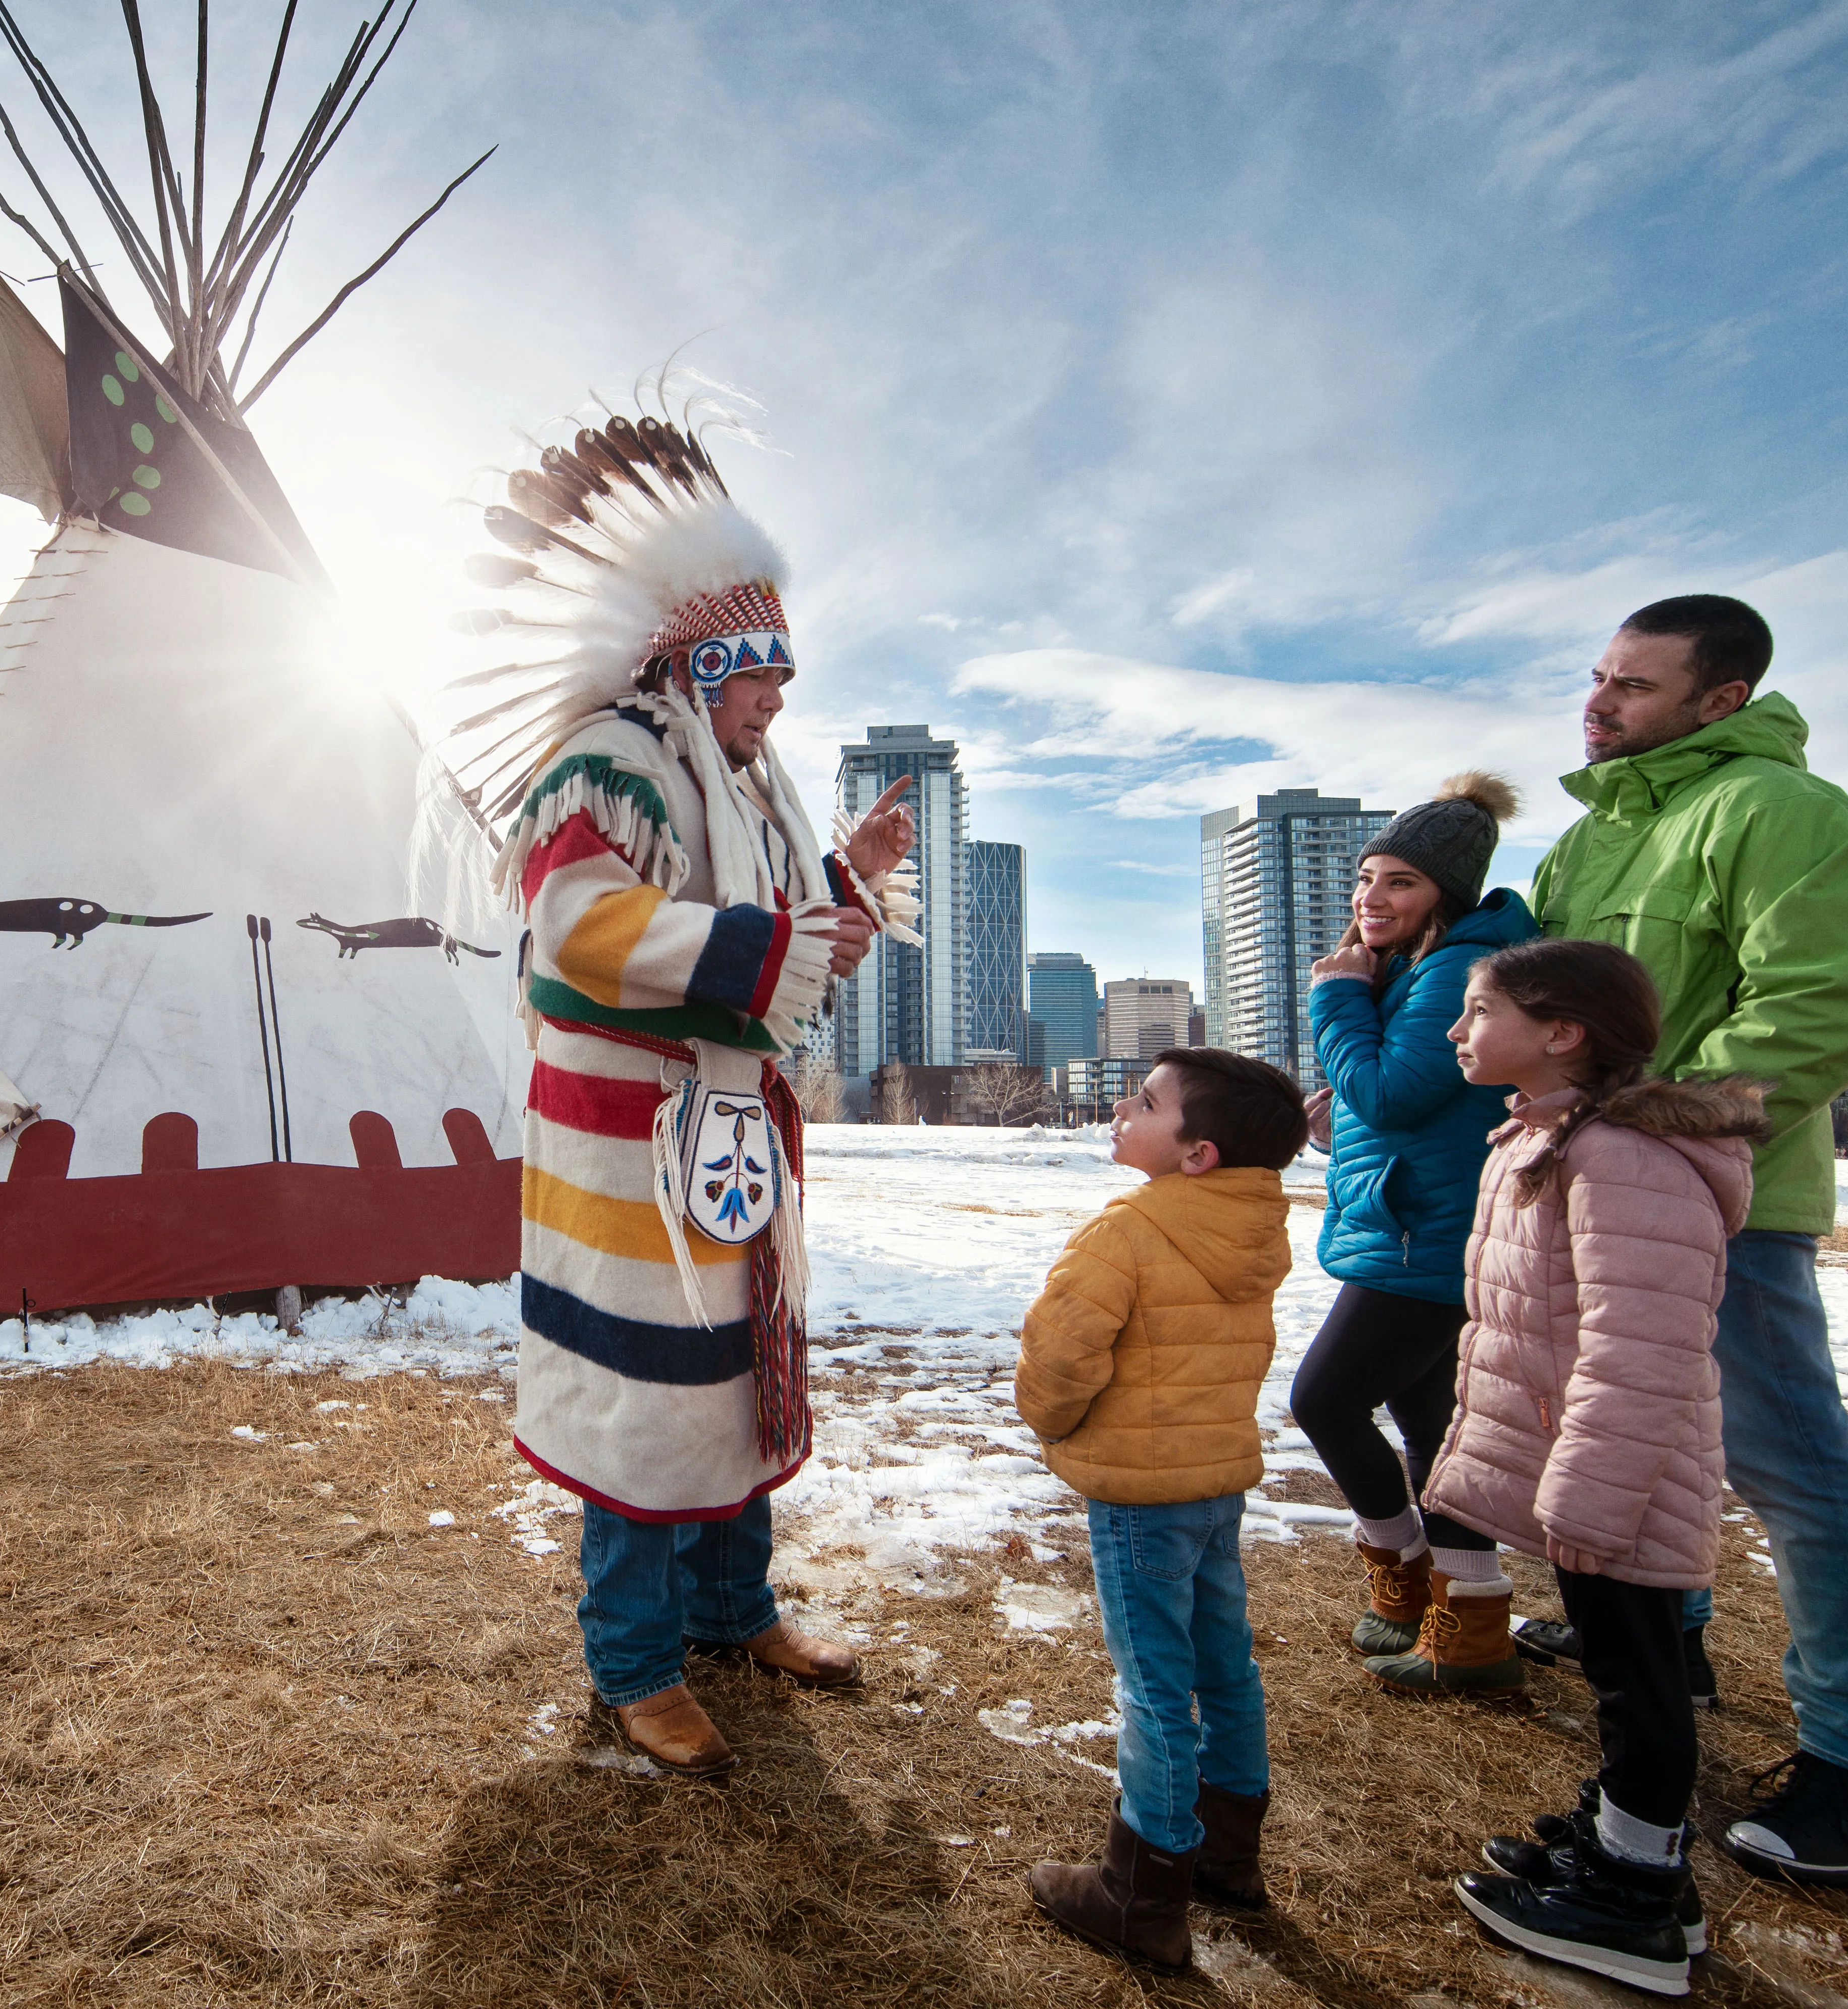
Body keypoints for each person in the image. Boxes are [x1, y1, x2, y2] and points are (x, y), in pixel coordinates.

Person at [456, 416, 920, 1777]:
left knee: (733, 1377)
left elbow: (754, 917)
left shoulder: (742, 775)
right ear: (694, 658)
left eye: (784, 675)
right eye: (758, 673)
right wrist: (782, 937)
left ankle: (734, 1611)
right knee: (647, 1391)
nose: (777, 697)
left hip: (725, 1131)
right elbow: (585, 925)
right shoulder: (610, 758)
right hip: (629, 1143)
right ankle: (635, 1663)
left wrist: (844, 873)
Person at [1527, 594, 1848, 1886]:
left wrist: (1661, 1125)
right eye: (1597, 678)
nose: (1599, 703)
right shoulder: (1586, 843)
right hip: (1598, 1190)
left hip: (1723, 1201)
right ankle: (1672, 1637)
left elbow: (1828, 1003)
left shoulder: (1779, 812)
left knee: (1788, 1460)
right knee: (1640, 1432)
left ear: (1719, 701)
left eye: (1633, 687)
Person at [1428, 938, 1769, 1996]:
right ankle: (1634, 1847)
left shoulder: (1617, 1155)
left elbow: (1641, 1345)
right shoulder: (1550, 1136)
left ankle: (1632, 1890)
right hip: (1589, 1456)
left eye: (1479, 1007)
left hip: (1619, 1466)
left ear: (1562, 1030)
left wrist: (1590, 1489)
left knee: (1638, 1676)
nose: (1457, 1028)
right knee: (1626, 1667)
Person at [1017, 1047, 1307, 1970]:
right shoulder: (1253, 1230)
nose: (1119, 1107)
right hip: (1215, 1480)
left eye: (1144, 1102)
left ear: (1198, 1154)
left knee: (1152, 1684)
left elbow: (1062, 1357)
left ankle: (1142, 1891)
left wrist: (1052, 1425)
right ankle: (1230, 1855)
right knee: (1226, 1666)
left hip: (1143, 1493)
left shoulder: (1128, 1232)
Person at [1285, 772, 1538, 1695]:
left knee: (1325, 1400)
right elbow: (1403, 1103)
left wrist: (1338, 1000)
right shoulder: (1438, 964)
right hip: (1420, 1220)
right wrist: (1340, 1118)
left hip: (1425, 1235)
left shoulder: (1454, 971)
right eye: (1366, 879)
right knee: (1434, 1426)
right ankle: (1467, 1624)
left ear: (1446, 895)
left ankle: (1401, 1578)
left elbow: (1395, 1091)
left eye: (1399, 882)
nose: (1371, 899)